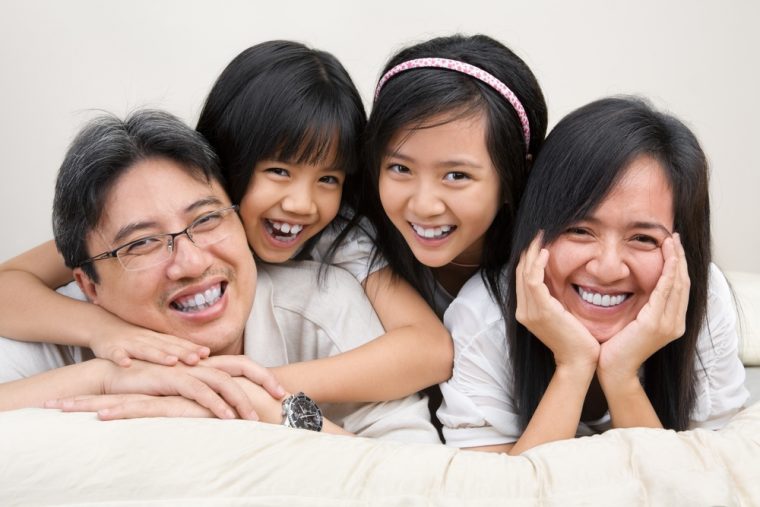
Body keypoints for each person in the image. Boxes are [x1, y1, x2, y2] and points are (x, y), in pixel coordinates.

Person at [0, 40, 452, 408]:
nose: (302, 203)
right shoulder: (162, 212)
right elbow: (10, 284)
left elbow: (428, 350)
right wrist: (104, 332)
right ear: (229, 163)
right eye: (279, 171)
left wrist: (251, 383)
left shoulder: (341, 236)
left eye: (328, 178)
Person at [437, 97, 749, 454]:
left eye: (643, 238)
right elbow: (502, 494)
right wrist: (572, 366)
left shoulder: (703, 301)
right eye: (580, 231)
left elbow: (695, 488)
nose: (607, 268)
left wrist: (621, 376)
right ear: (535, 225)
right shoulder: (484, 316)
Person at [360, 34, 547, 317]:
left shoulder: (557, 272)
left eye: (456, 175)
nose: (424, 206)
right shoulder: (353, 245)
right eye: (401, 168)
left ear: (517, 173)